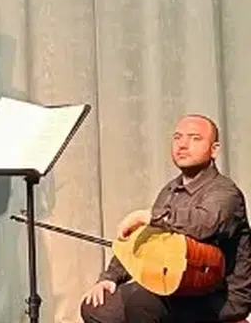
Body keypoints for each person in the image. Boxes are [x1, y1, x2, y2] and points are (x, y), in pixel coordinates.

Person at [81, 114, 251, 323]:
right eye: (177, 137)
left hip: (218, 296)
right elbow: (145, 241)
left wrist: (149, 216)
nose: (183, 144)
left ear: (214, 149)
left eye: (195, 138)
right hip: (175, 285)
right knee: (96, 307)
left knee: (141, 302)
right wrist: (110, 278)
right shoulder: (170, 190)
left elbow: (204, 224)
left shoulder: (225, 192)